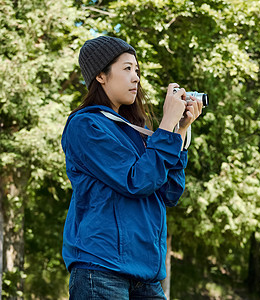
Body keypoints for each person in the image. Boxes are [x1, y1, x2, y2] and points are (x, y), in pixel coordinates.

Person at [61, 35, 202, 299]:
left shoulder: (137, 131)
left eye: (137, 70)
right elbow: (137, 181)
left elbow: (169, 192)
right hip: (101, 269)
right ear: (101, 76)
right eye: (127, 69)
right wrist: (166, 124)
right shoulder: (86, 126)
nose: (136, 77)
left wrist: (179, 130)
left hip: (145, 274)